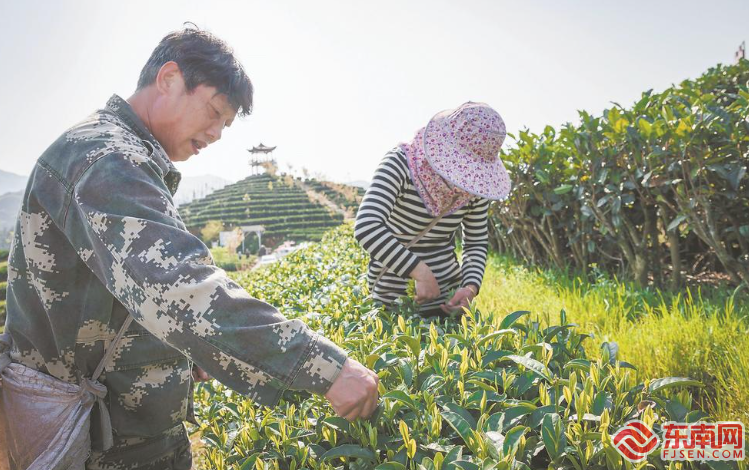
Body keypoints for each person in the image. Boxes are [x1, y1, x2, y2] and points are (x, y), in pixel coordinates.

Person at [2, 27, 378, 469]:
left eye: (226, 124)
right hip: (100, 442)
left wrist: (174, 352)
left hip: (124, 429)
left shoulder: (125, 155)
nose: (218, 133)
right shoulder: (106, 160)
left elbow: (126, 292)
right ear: (169, 79)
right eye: (215, 112)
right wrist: (324, 366)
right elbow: (179, 287)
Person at [354, 102, 512, 317]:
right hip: (392, 299)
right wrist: (420, 272)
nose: (463, 178)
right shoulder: (400, 164)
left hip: (447, 300)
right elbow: (367, 226)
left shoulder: (476, 186)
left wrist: (470, 288)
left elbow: (475, 242)